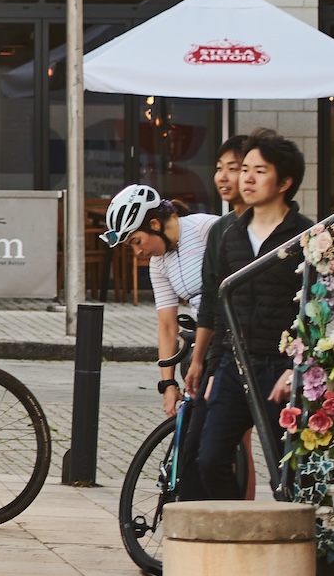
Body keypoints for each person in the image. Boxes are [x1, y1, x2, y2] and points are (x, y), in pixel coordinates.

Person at [180, 130, 308, 501]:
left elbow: (317, 308)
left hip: (280, 367)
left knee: (289, 471)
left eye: (259, 171)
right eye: (245, 169)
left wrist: (296, 367)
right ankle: (239, 534)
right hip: (234, 367)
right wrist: (211, 366)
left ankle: (303, 546)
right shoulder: (230, 235)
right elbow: (220, 308)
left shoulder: (306, 235)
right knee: (210, 460)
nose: (246, 179)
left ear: (284, 182)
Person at [106, 182, 209, 405]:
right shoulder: (159, 263)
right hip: (204, 340)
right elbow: (167, 325)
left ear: (154, 224)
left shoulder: (204, 228)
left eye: (136, 241)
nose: (138, 252)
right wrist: (168, 384)